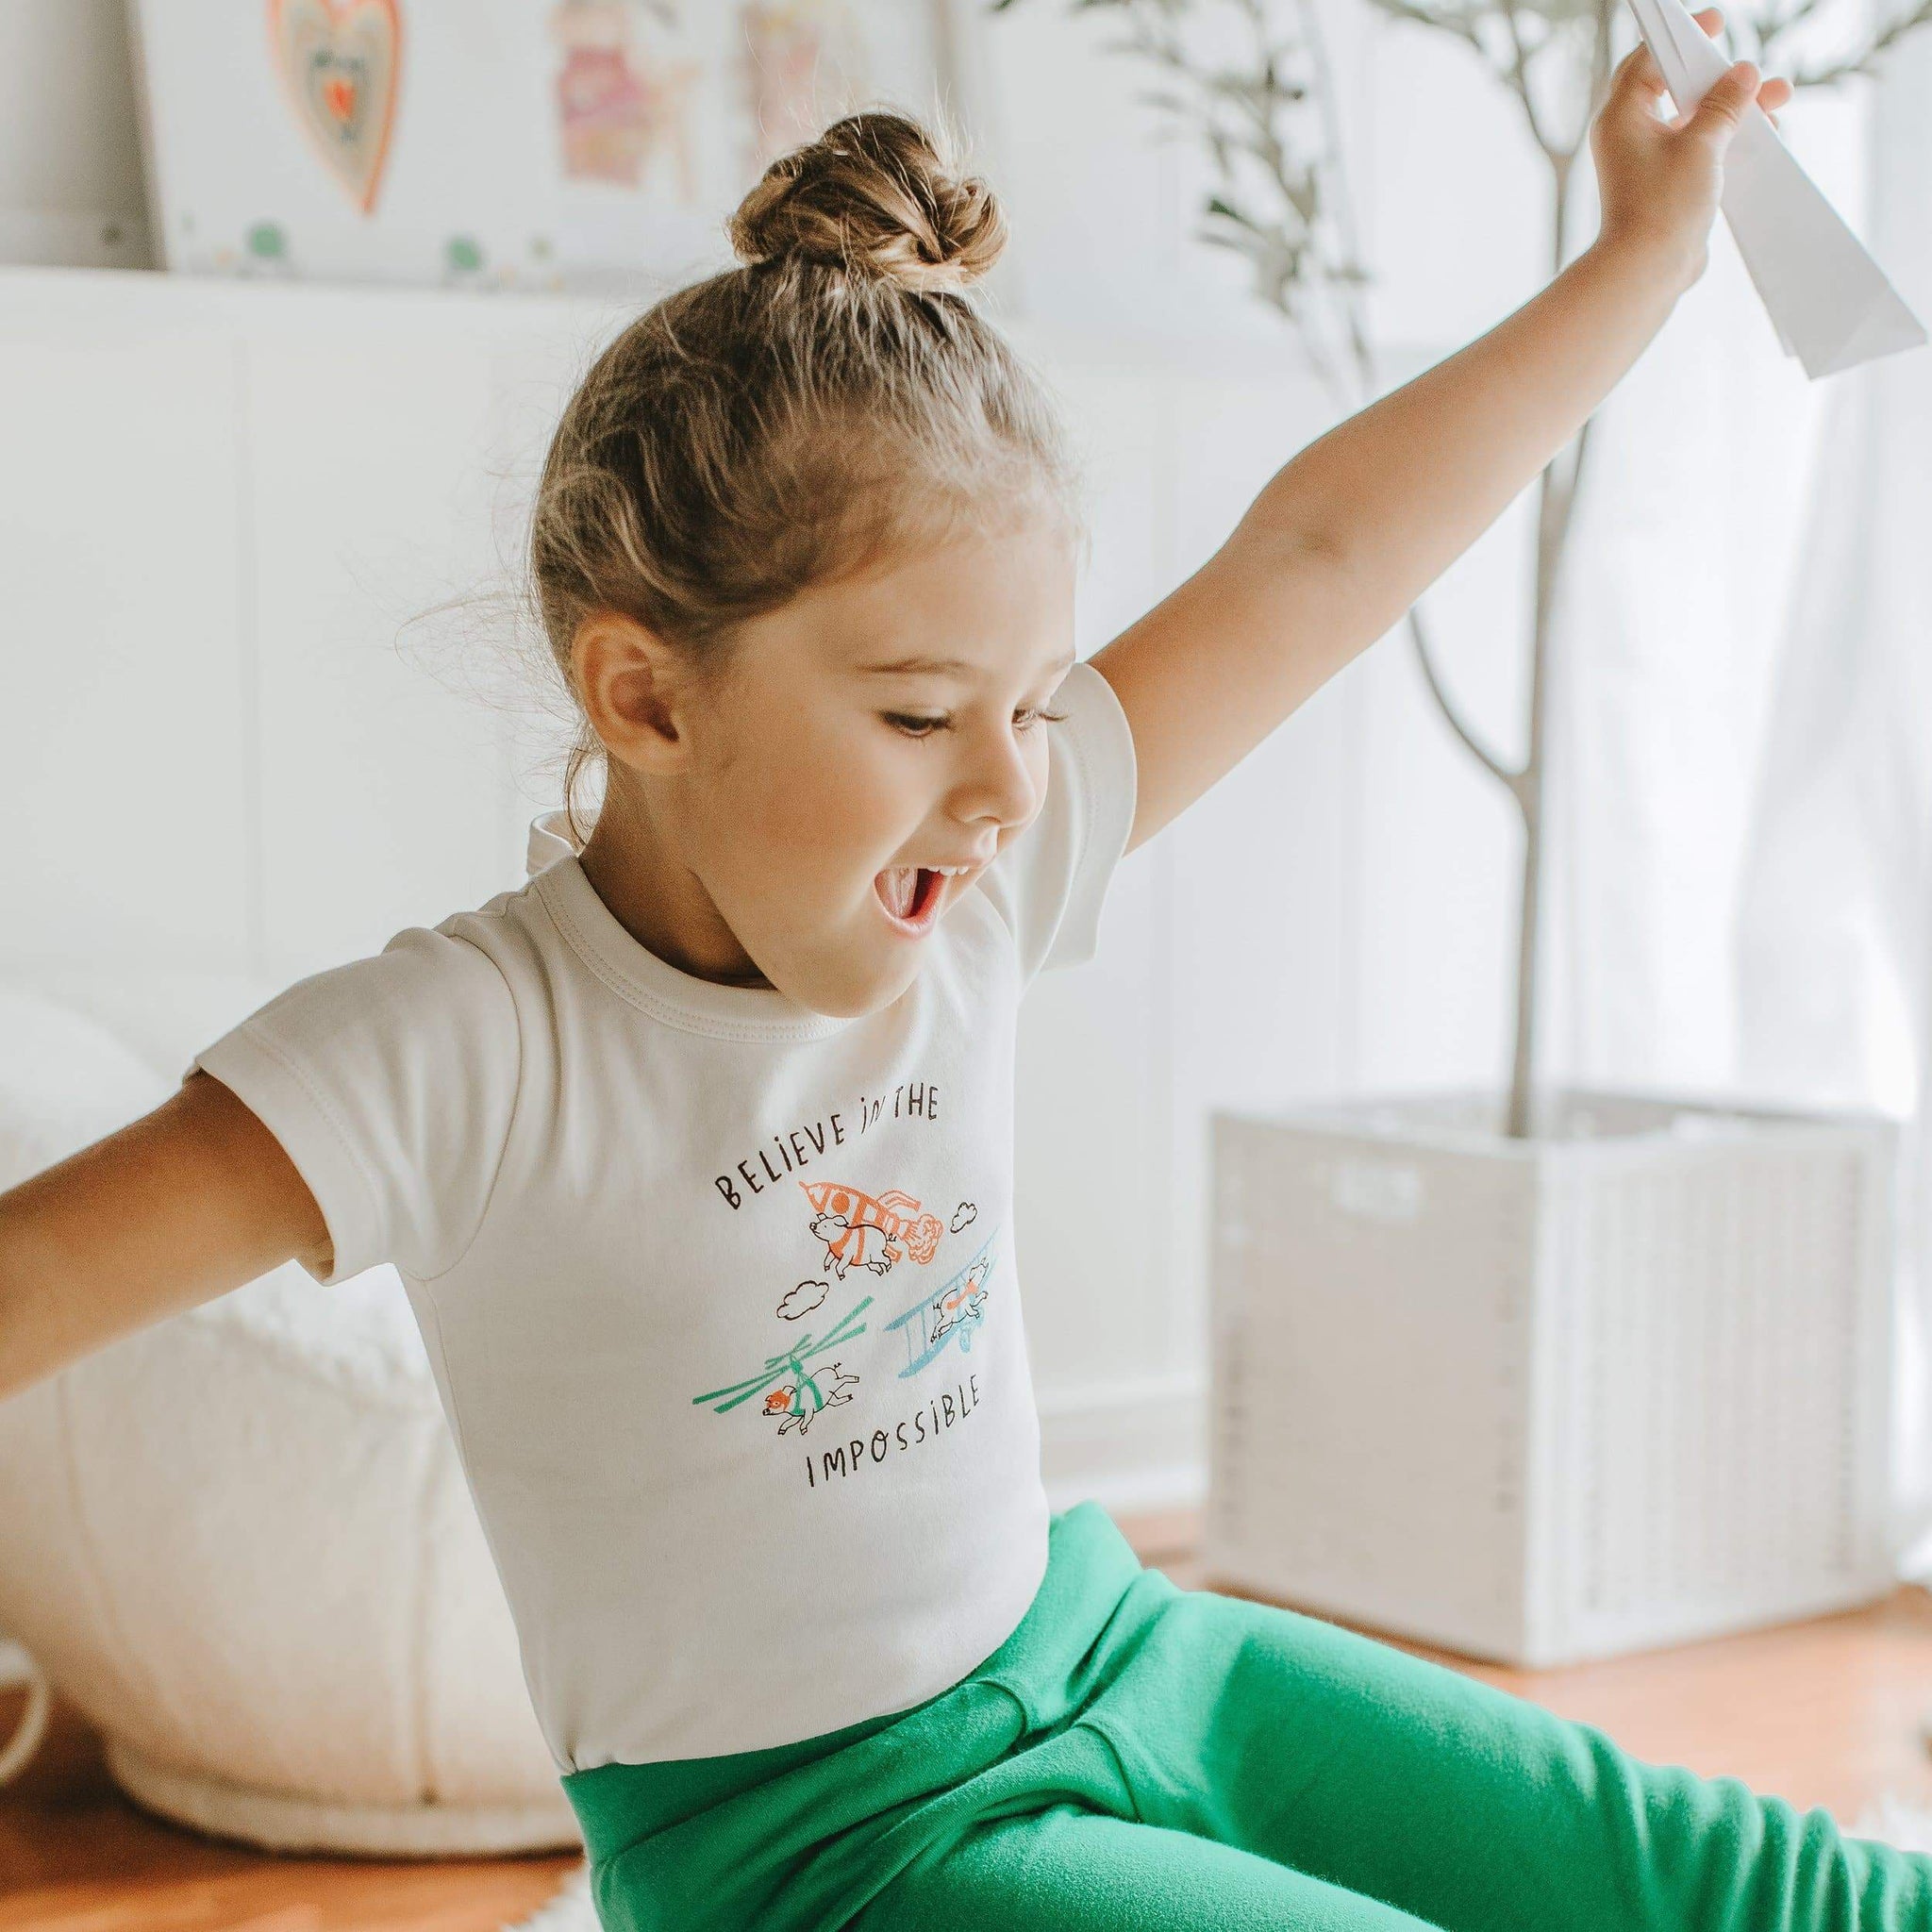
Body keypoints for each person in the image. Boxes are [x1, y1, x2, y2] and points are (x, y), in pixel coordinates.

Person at [4, 26, 1922, 1931]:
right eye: (923, 713)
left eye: (1034, 703)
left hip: (1113, 1646)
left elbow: (1323, 555)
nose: (1011, 788)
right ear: (645, 696)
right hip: (826, 1850)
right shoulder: (467, 1052)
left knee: (1733, 1879)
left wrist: (1642, 261)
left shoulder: (973, 873)